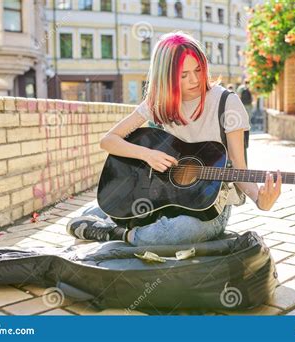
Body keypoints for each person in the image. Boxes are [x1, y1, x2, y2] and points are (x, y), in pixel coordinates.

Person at [66, 31, 281, 246]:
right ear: (166, 76)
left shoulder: (227, 103)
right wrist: (147, 155)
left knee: (177, 232)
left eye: (198, 70)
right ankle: (112, 218)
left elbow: (239, 168)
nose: (195, 80)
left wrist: (260, 200)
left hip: (208, 208)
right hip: (163, 197)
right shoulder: (159, 103)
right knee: (114, 205)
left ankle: (115, 232)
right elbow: (108, 141)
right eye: (184, 75)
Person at [236, 80, 253, 148]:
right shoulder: (249, 88)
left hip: (243, 105)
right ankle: (246, 131)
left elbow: (238, 96)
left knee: (244, 118)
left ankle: (244, 131)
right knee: (248, 118)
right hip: (248, 105)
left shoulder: (240, 88)